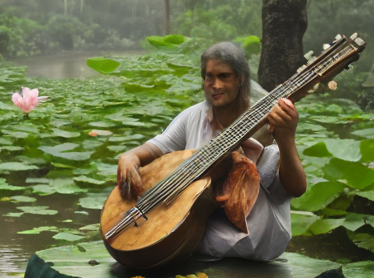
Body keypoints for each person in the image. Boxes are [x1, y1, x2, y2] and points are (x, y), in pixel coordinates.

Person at [116, 42, 307, 262]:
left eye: (224, 76)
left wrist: (286, 139)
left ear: (240, 79)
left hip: (257, 239)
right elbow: (157, 146)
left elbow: (296, 188)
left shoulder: (267, 122)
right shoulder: (193, 116)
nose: (215, 85)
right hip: (200, 236)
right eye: (209, 77)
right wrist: (129, 156)